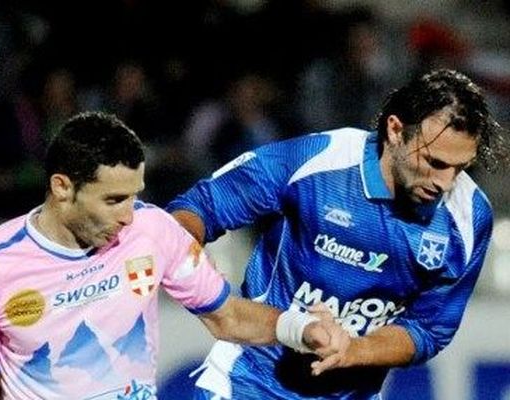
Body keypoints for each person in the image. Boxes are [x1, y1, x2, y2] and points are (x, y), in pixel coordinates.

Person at [168, 69, 509, 399]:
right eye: (435, 162)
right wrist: (188, 261)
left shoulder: (468, 218)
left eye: (460, 168)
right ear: (395, 130)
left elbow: (429, 329)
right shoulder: (318, 161)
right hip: (249, 383)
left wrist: (354, 349)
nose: (446, 182)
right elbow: (199, 207)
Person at [0, 111, 339, 400]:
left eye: (135, 195)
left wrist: (300, 328)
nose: (128, 215)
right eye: (113, 200)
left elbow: (229, 317)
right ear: (62, 187)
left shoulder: (152, 229)